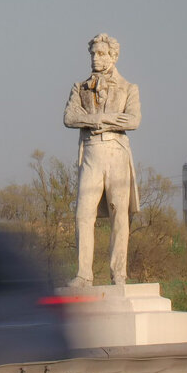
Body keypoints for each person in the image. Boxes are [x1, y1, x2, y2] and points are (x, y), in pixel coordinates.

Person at [63, 33, 140, 287]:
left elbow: (133, 120)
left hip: (117, 152)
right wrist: (99, 119)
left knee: (120, 213)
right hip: (91, 154)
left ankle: (119, 272)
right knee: (83, 214)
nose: (96, 58)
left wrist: (101, 119)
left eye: (101, 53)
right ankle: (84, 273)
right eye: (93, 53)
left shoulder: (129, 88)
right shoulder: (80, 87)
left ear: (113, 56)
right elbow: (70, 118)